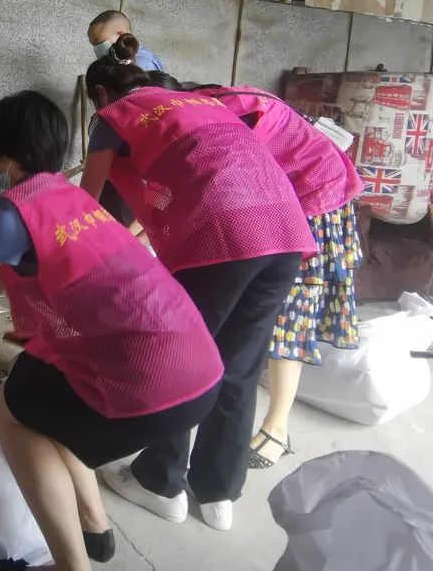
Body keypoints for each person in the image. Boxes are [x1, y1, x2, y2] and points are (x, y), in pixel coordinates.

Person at [0, 90, 224, 570]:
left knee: (13, 415)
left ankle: (71, 564)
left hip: (144, 378)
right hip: (198, 365)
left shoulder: (11, 215)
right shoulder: (69, 197)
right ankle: (94, 526)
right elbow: (0, 274)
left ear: (6, 157)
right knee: (44, 404)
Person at [81, 63, 315, 531]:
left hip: (223, 237)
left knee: (181, 358)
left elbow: (85, 204)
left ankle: (160, 482)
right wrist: (133, 240)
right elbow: (196, 181)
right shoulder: (202, 105)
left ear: (102, 93)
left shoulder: (113, 115)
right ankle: (218, 492)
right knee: (238, 366)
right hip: (286, 232)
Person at [191, 85, 363, 469]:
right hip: (286, 197)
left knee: (288, 318)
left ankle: (277, 427)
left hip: (314, 207)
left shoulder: (220, 118)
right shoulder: (215, 108)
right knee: (254, 327)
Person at [86, 10, 163, 71]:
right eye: (94, 45)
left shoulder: (142, 63)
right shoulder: (119, 61)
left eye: (101, 43)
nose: (97, 49)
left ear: (120, 35)